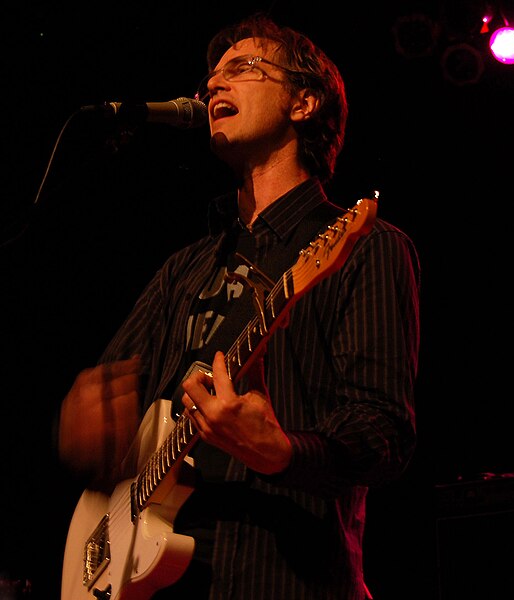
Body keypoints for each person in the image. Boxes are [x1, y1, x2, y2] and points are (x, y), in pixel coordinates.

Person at [56, 11, 421, 600]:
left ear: (303, 104)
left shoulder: (363, 245)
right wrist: (86, 426)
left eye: (243, 68)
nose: (214, 86)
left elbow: (384, 435)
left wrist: (280, 452)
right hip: (151, 577)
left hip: (281, 578)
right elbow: (109, 401)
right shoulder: (185, 267)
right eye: (212, 77)